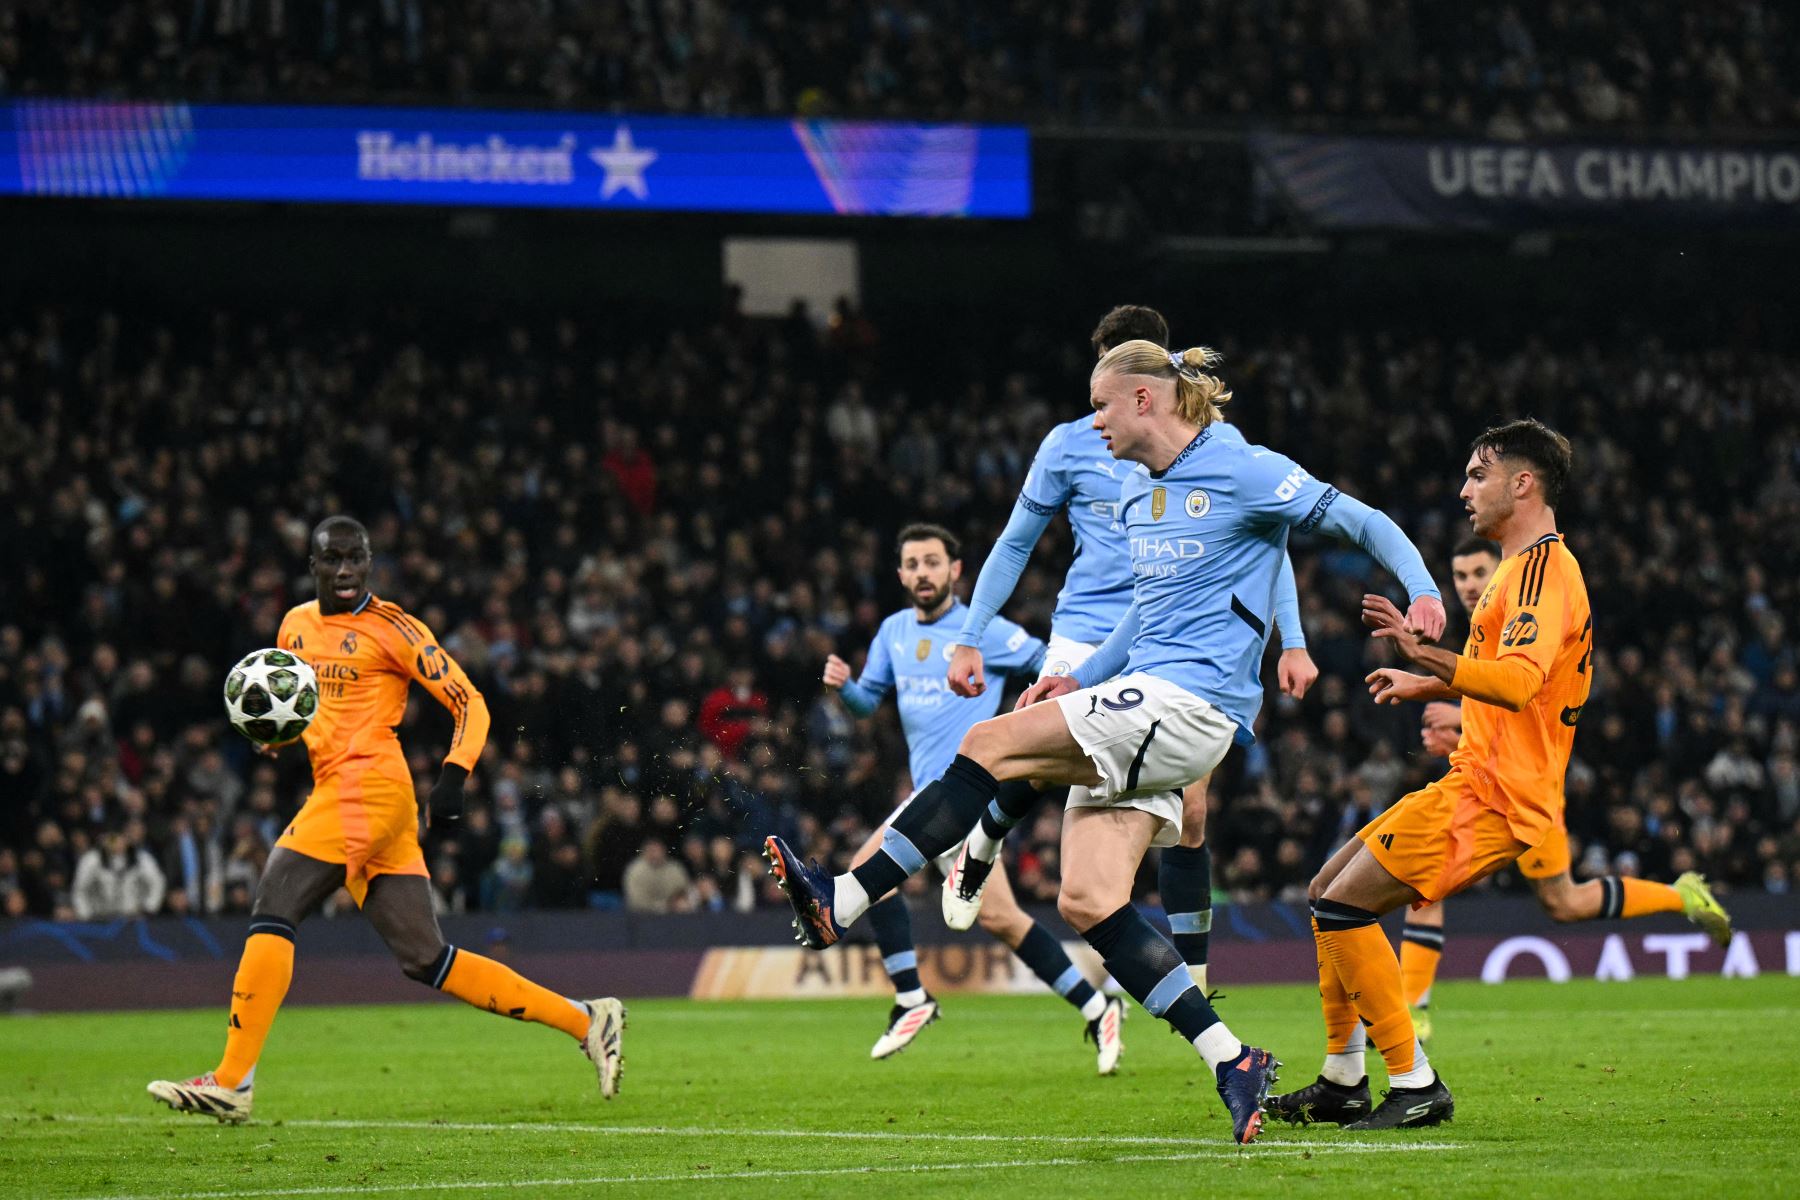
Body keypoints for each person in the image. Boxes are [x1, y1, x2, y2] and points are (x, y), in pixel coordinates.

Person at [767, 342, 1444, 1144]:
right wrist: (1077, 676)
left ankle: (842, 900)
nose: (1094, 422)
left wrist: (1424, 590)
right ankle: (1232, 1059)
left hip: (1191, 704)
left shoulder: (1243, 467)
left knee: (991, 740)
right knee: (1086, 899)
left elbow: (1359, 520)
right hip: (1140, 696)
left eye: (1102, 405)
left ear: (1146, 401)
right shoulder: (1136, 496)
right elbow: (1141, 619)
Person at [148, 516, 625, 1122]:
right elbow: (307, 709)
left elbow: (469, 702)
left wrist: (456, 773)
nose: (345, 570)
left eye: (356, 558)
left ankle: (234, 1079)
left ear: (370, 562)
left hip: (369, 789)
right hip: (348, 795)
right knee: (425, 956)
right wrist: (278, 737)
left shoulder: (393, 628)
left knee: (277, 897)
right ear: (313, 564)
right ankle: (587, 1019)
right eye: (333, 559)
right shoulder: (293, 626)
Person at [1267, 419, 1671, 1131]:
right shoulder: (1516, 572)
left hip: (1498, 793)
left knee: (1344, 906)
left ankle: (1414, 1083)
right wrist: (1427, 685)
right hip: (1477, 776)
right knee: (1325, 890)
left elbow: (1516, 684)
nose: (1464, 491)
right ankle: (1340, 1078)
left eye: (1477, 475)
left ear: (1523, 483)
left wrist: (1426, 657)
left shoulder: (1546, 571)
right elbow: (1527, 687)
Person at [943, 305, 1317, 1001]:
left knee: (1192, 811)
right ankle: (982, 842)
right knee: (1031, 751)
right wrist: (971, 634)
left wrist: (1289, 638)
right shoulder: (1069, 444)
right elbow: (1016, 541)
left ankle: (1196, 974)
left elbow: (1266, 544)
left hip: (1174, 632)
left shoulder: (1210, 444)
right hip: (1090, 626)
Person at [1394, 539, 1732, 1046]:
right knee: (1542, 898)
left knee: (1556, 901)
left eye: (1477, 572)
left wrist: (1458, 714)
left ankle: (1411, 1011)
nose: (1467, 584)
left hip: (1528, 790)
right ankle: (1681, 894)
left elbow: (1528, 698)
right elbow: (1485, 694)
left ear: (1501, 571)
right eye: (1459, 575)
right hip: (1491, 786)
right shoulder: (1486, 629)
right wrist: (1443, 705)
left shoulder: (1533, 612)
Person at [823, 523, 1127, 1069]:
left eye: (932, 563)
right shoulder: (893, 632)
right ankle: (1096, 1004)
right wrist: (845, 686)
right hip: (931, 800)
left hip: (960, 791)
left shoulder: (981, 630)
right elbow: (868, 702)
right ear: (900, 574)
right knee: (1003, 919)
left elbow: (1049, 664)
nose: (922, 573)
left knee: (866, 876)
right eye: (912, 564)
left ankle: (912, 997)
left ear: (956, 570)